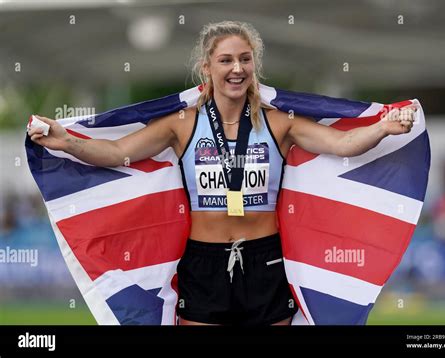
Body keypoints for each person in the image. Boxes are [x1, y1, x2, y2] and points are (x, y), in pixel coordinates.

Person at [27, 20, 416, 326]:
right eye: (227, 60)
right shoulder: (181, 125)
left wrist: (383, 126)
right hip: (204, 262)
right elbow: (116, 152)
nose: (237, 68)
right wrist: (67, 141)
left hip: (265, 261)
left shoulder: (280, 123)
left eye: (245, 59)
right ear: (207, 67)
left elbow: (341, 145)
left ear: (254, 65)